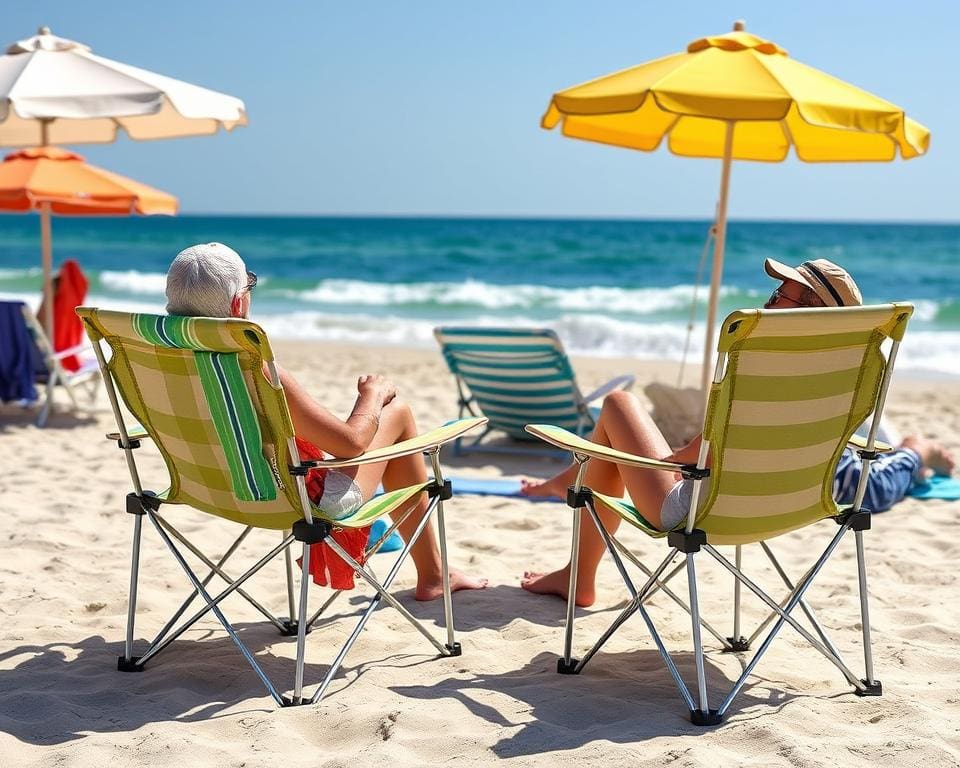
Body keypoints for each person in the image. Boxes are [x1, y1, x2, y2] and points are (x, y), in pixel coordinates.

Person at [521, 258, 955, 607]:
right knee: (625, 441)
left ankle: (578, 573)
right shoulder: (847, 375)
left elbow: (699, 455)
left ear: (807, 307)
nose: (767, 300)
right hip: (799, 508)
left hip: (706, 512)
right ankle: (573, 555)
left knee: (619, 405)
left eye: (779, 294)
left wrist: (655, 460)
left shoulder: (755, 363)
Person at [165, 242, 487, 601]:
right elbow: (350, 444)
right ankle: (434, 573)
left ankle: (434, 572)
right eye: (249, 285)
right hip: (290, 499)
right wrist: (372, 396)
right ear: (239, 303)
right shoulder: (255, 370)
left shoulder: (159, 362)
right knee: (398, 413)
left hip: (207, 490)